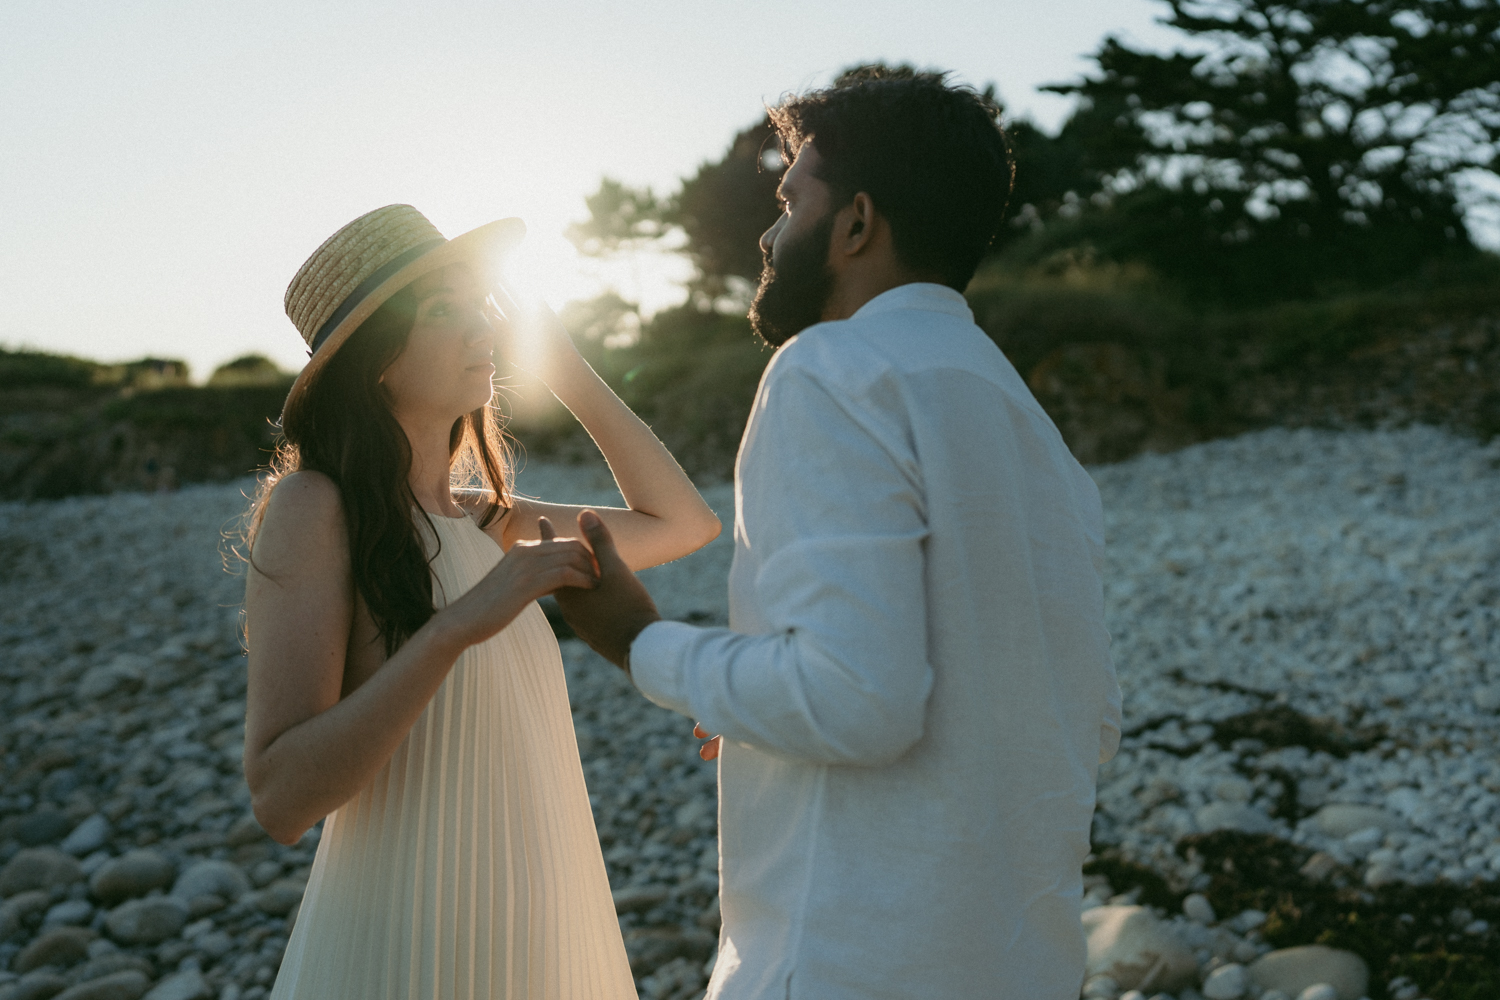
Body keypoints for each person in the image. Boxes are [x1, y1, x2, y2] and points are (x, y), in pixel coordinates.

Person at [551, 69, 1123, 999]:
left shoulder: (830, 368)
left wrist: (638, 640)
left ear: (857, 224)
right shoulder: (1028, 425)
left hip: (849, 960)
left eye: (790, 202)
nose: (768, 236)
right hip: (1021, 963)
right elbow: (1079, 715)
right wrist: (759, 698)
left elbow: (857, 699)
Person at [241, 204, 720, 999]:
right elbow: (281, 796)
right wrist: (457, 626)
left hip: (540, 934)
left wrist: (568, 372)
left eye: (480, 304)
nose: (481, 325)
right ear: (376, 360)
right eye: (443, 310)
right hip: (405, 949)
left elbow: (685, 524)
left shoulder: (487, 520)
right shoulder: (315, 508)